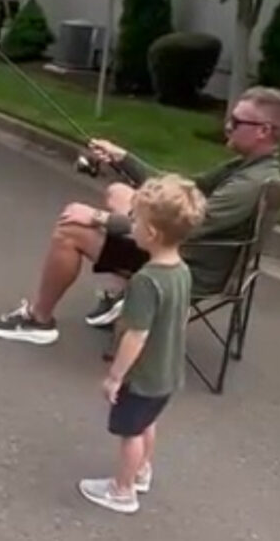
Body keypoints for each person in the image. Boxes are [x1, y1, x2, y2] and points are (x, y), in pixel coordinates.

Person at [0, 86, 280, 345]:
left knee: (71, 229)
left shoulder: (249, 184)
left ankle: (38, 320)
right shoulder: (255, 169)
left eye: (236, 122)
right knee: (118, 192)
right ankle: (121, 297)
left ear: (263, 131)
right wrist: (123, 159)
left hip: (182, 267)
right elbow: (180, 189)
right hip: (189, 253)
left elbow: (178, 227)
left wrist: (100, 219)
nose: (227, 126)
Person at [78, 174, 207, 515]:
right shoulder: (182, 271)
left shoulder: (146, 281)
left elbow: (136, 334)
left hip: (143, 374)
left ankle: (122, 490)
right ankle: (141, 471)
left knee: (130, 432)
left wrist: (115, 376)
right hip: (167, 372)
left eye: (135, 220)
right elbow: (180, 318)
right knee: (147, 422)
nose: (130, 225)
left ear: (151, 233)